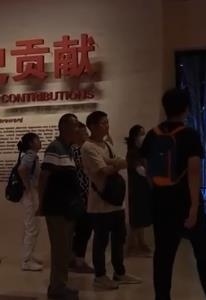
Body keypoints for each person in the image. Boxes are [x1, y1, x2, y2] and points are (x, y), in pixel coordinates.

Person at [142, 88, 206, 300]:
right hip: (185, 203)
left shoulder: (152, 134)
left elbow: (148, 171)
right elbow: (194, 172)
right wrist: (194, 207)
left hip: (161, 203)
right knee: (204, 255)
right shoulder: (189, 135)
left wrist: (157, 193)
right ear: (186, 108)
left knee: (163, 256)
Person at [81, 111, 141, 290]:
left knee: (119, 239)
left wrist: (111, 162)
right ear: (92, 126)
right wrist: (114, 163)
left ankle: (119, 272)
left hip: (116, 202)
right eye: (103, 123)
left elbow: (121, 162)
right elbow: (104, 171)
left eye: (107, 122)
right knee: (101, 242)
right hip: (100, 204)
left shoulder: (106, 144)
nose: (107, 126)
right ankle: (100, 276)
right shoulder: (88, 147)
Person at [38, 114, 82, 300]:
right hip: (57, 208)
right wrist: (41, 203)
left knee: (64, 250)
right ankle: (57, 287)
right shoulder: (55, 148)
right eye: (75, 126)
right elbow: (44, 177)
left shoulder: (68, 149)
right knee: (60, 249)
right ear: (64, 127)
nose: (78, 129)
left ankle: (60, 284)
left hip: (66, 208)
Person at [69, 122, 94, 274]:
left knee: (81, 229)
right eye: (83, 133)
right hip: (81, 196)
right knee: (83, 229)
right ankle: (78, 261)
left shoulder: (80, 149)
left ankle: (74, 259)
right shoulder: (77, 150)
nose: (86, 135)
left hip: (83, 195)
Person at [17, 132, 44, 271]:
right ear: (32, 143)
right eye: (37, 139)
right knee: (31, 227)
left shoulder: (31, 155)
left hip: (32, 193)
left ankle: (29, 255)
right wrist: (27, 186)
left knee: (33, 226)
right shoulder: (30, 155)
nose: (40, 141)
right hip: (30, 194)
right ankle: (26, 261)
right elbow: (22, 169)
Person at [125, 125, 153, 256]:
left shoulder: (141, 151)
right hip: (136, 189)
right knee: (136, 218)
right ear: (135, 136)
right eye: (141, 133)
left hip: (142, 187)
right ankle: (131, 246)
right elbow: (140, 170)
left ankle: (141, 243)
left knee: (141, 216)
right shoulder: (133, 152)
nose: (143, 136)